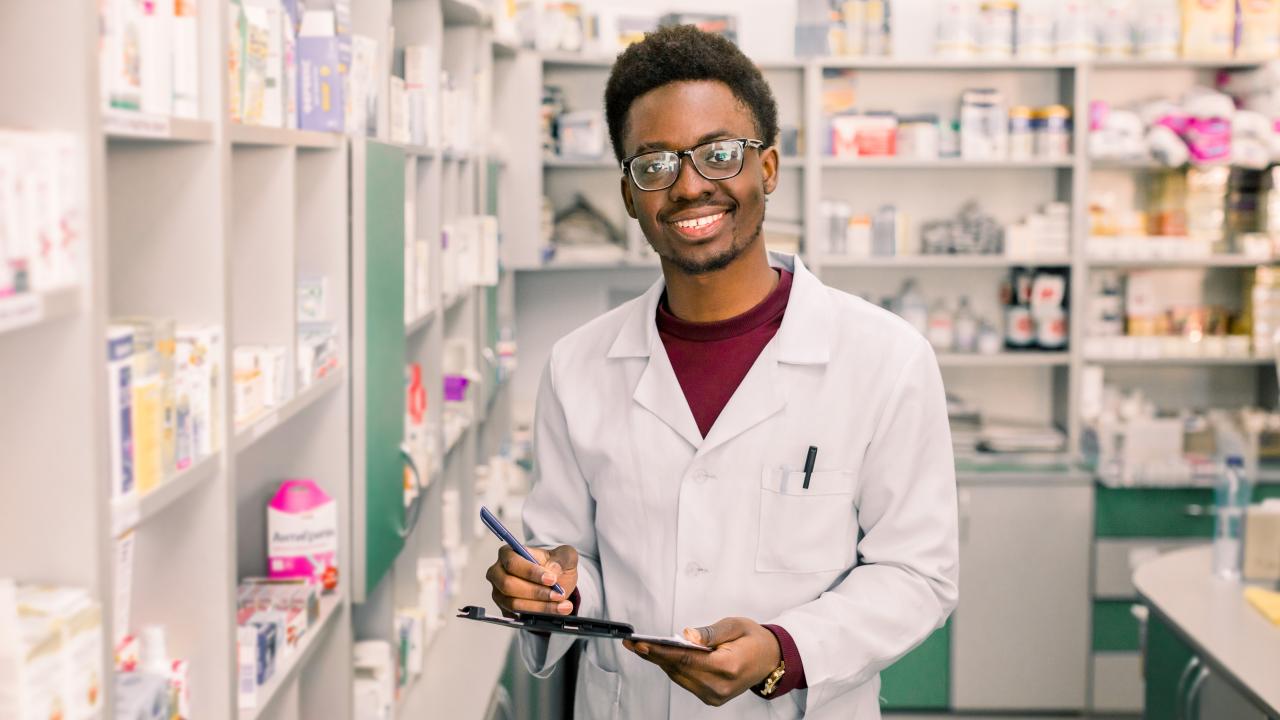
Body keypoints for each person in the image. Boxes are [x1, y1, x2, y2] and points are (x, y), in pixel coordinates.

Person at [485, 25, 958, 719]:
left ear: (766, 169)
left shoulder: (886, 359)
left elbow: (918, 573)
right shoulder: (577, 366)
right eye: (654, 164)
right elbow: (570, 557)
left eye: (718, 154)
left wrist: (782, 649)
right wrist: (548, 587)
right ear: (628, 194)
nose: (688, 186)